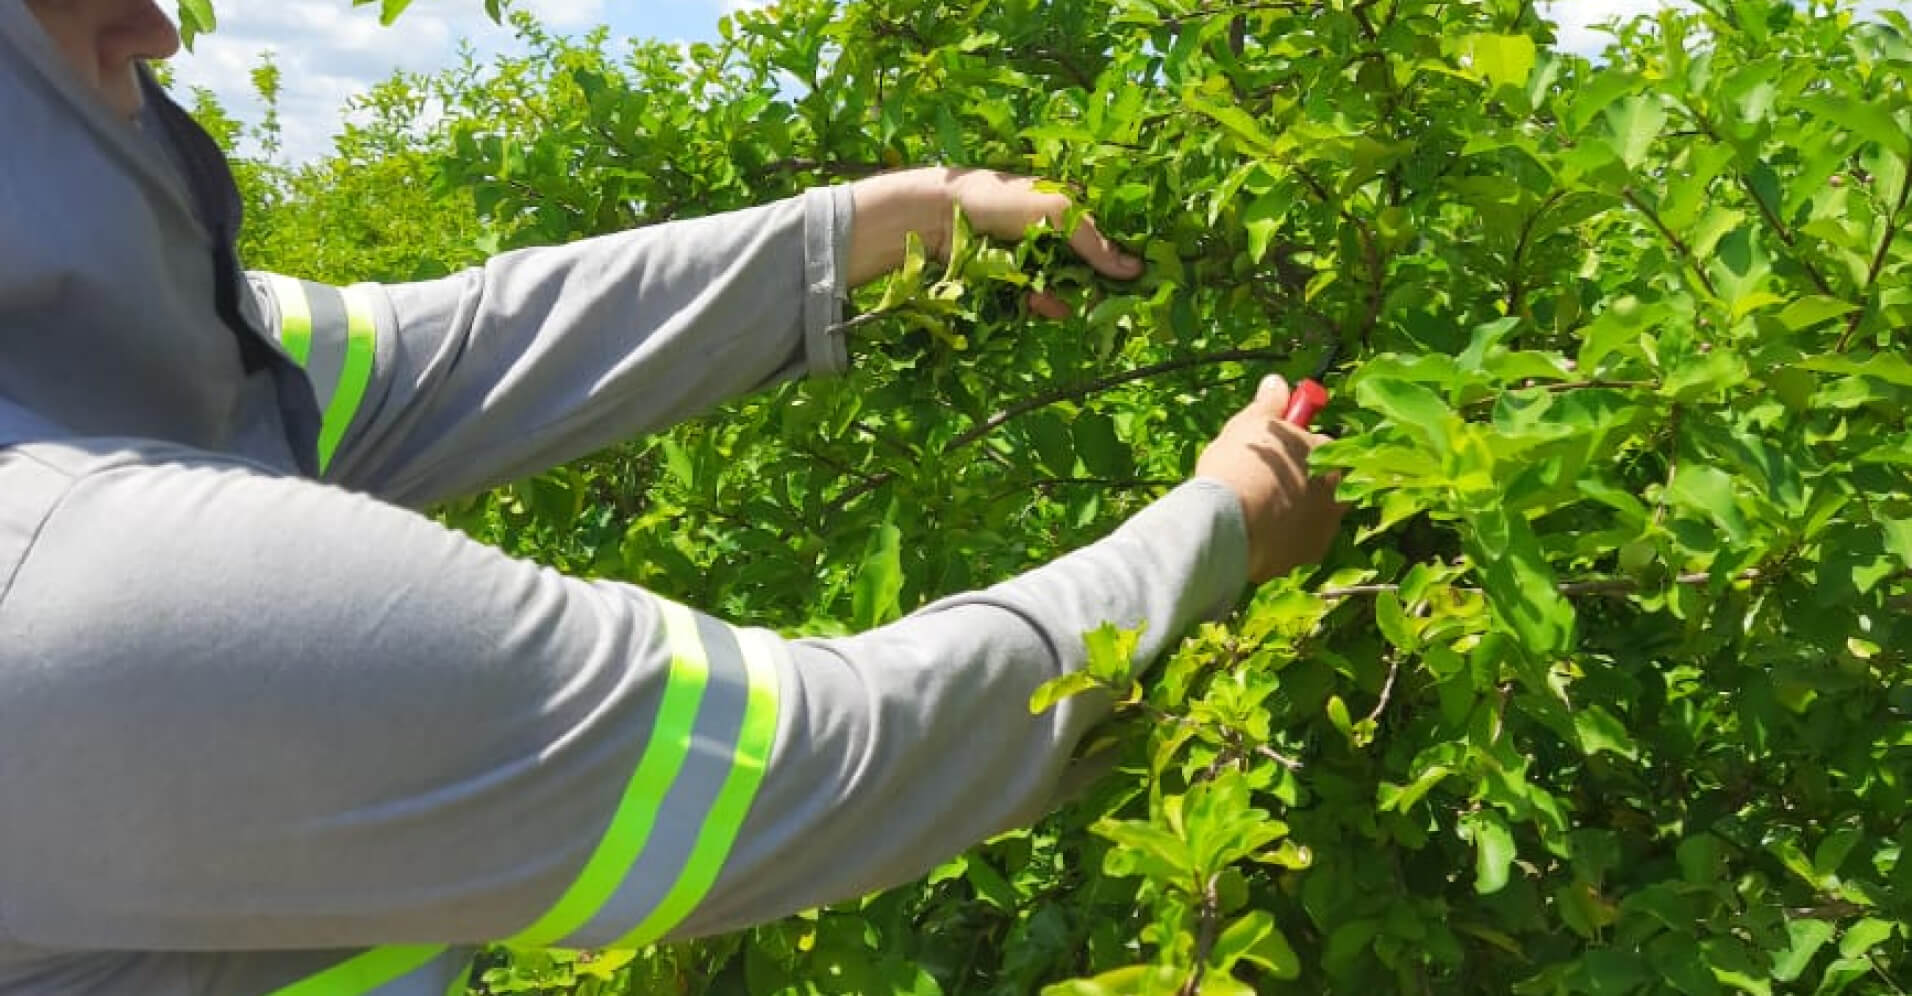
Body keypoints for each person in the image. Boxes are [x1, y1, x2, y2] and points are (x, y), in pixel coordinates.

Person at [0, 0, 1346, 992]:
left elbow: (454, 347)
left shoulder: (110, 362)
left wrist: (859, 235)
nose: (157, 26)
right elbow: (813, 760)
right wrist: (1219, 527)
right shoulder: (91, 606)